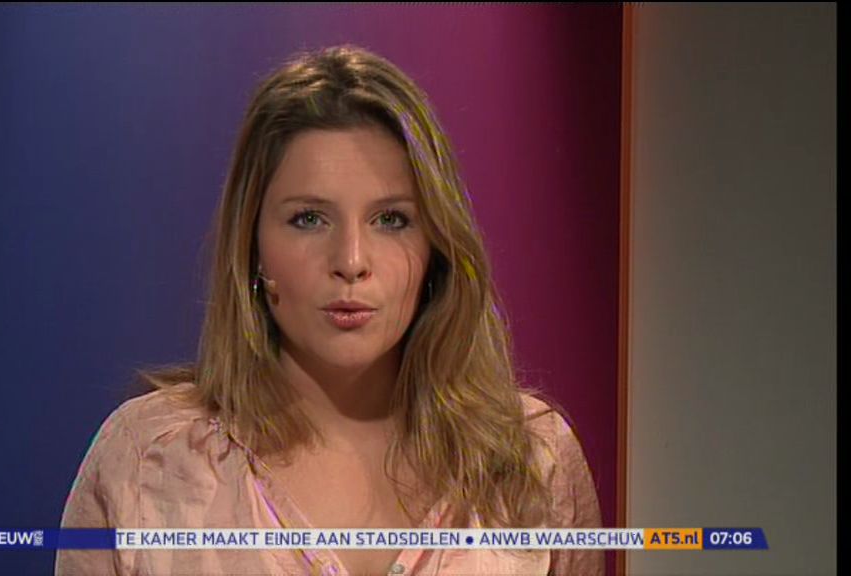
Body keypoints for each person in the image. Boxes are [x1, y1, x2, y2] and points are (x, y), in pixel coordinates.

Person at [55, 44, 603, 576]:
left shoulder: (534, 459)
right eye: (309, 219)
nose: (351, 261)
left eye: (391, 219)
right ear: (252, 246)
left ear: (436, 245)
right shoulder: (147, 458)